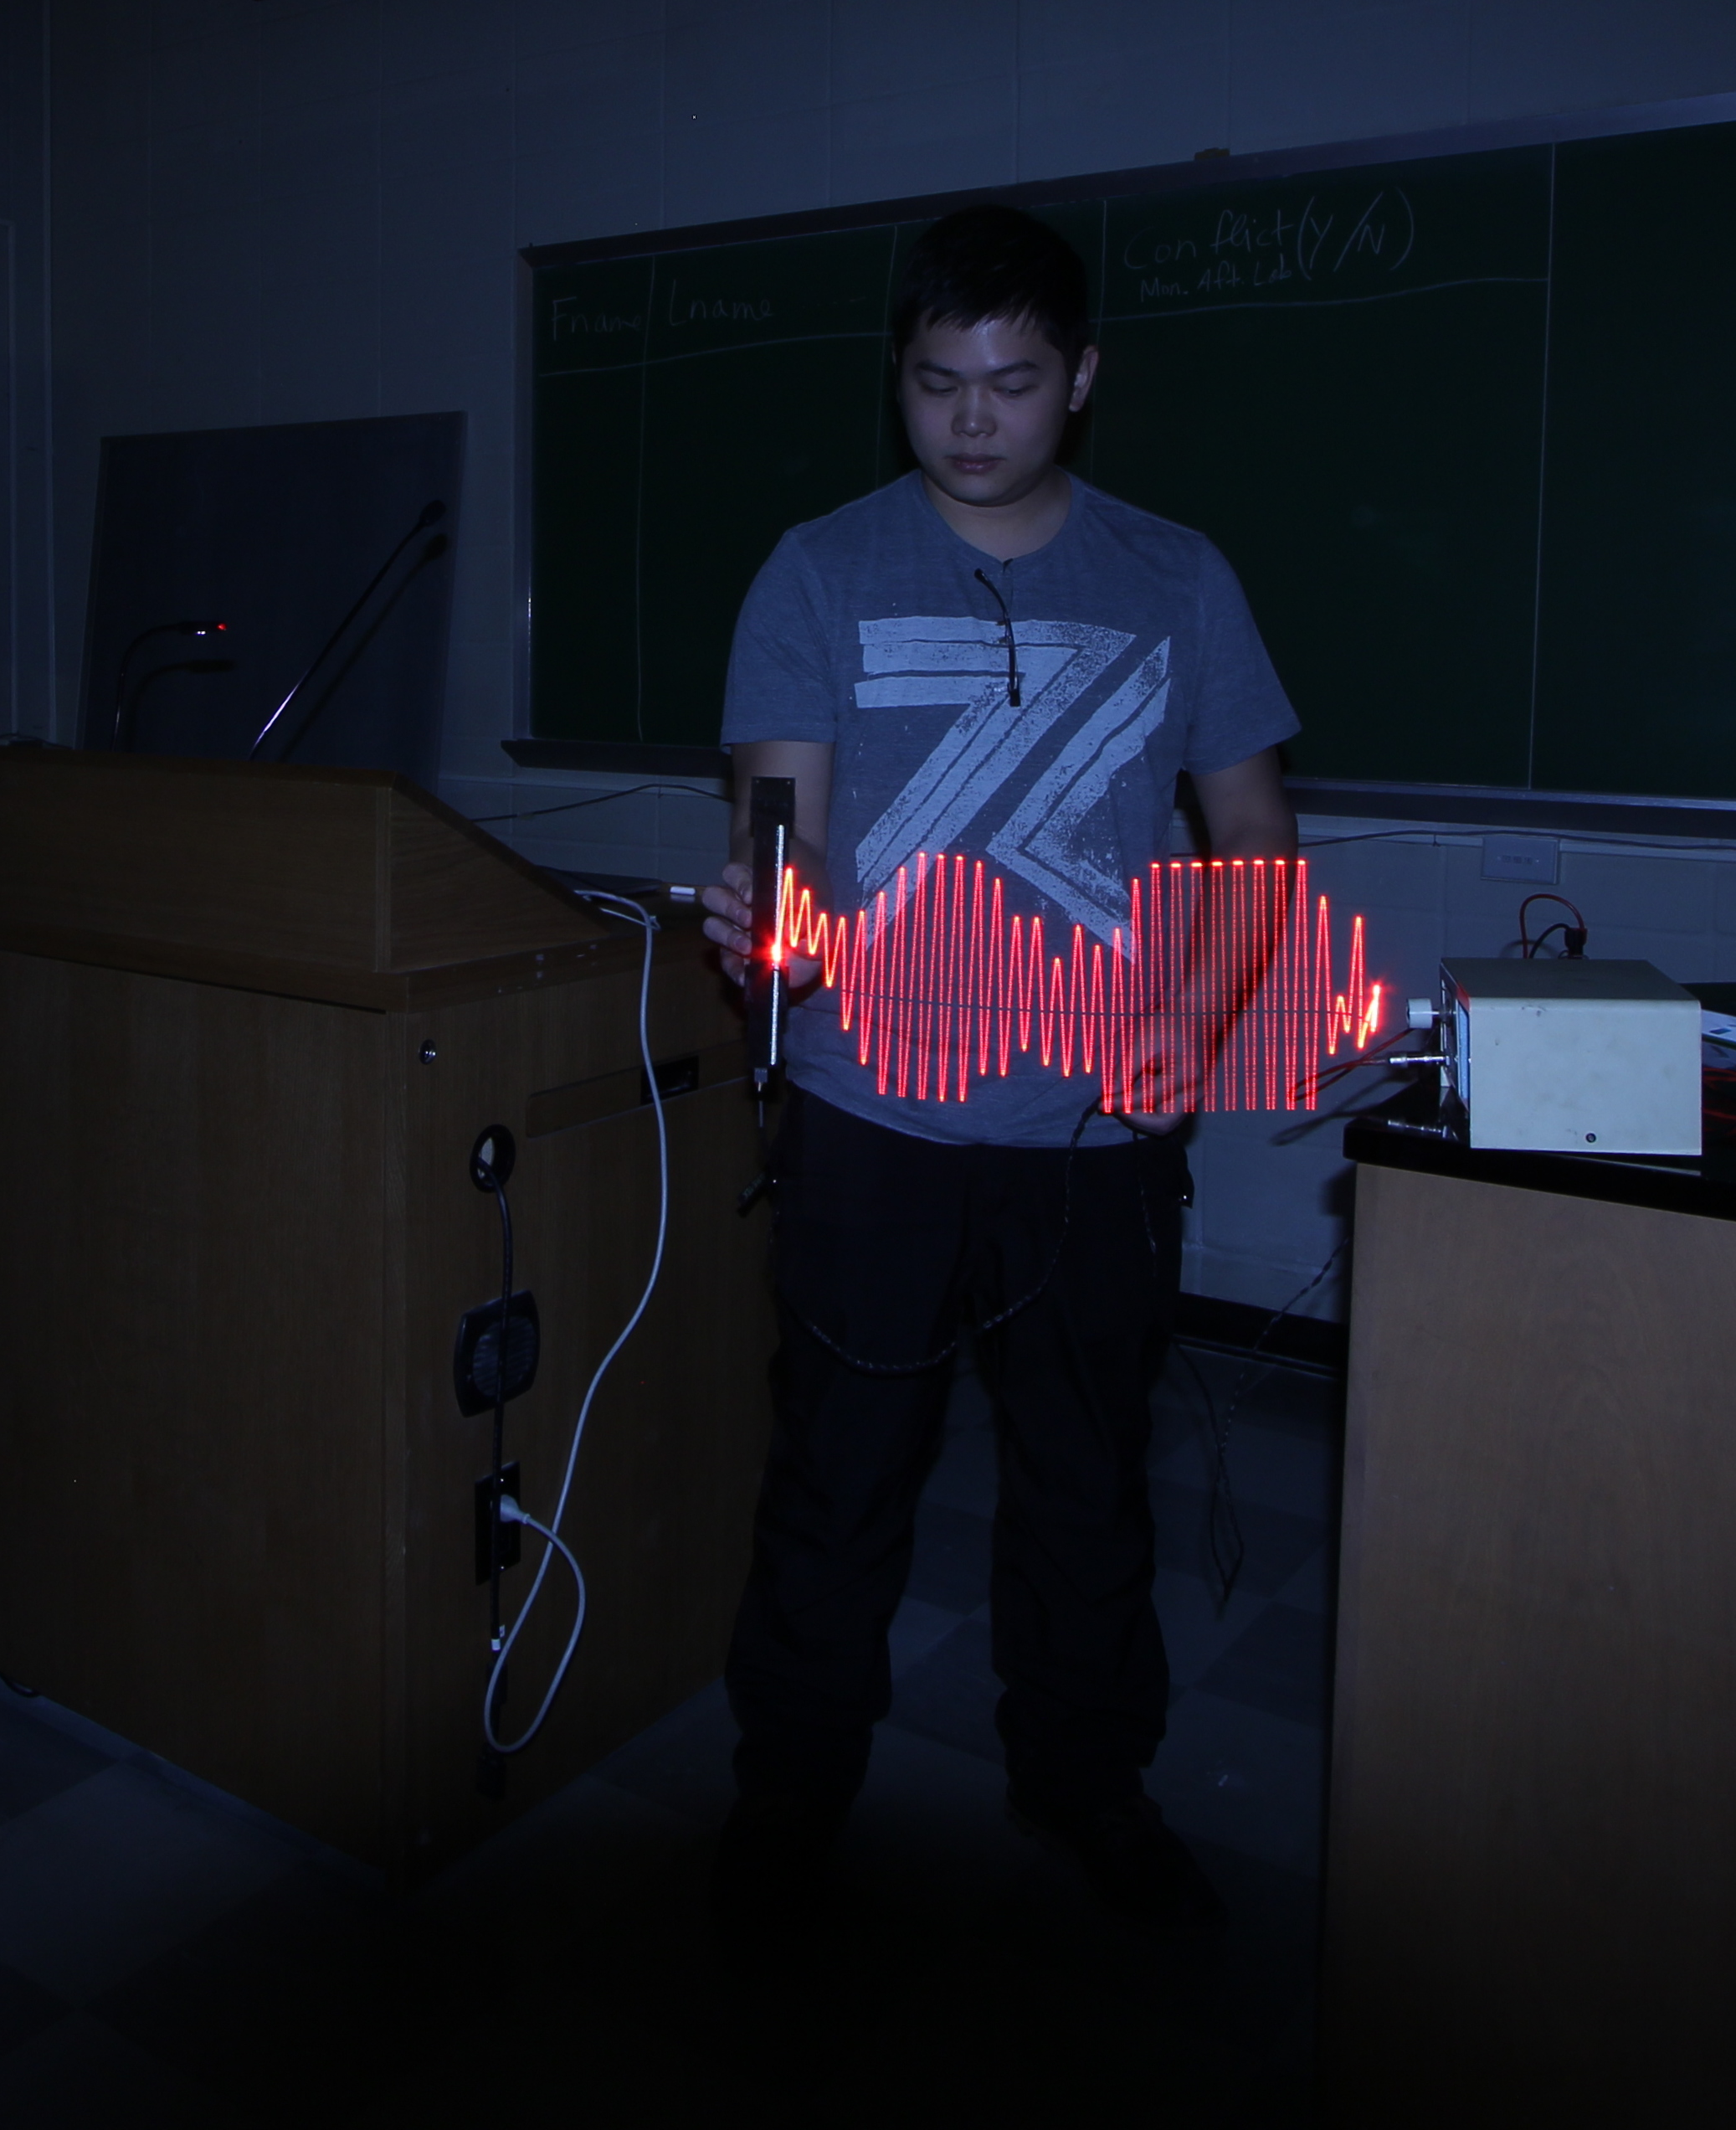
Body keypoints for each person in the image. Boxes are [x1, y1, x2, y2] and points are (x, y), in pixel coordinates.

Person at [699, 203, 1300, 1932]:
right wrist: (776, 922)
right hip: (871, 1117)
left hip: (1095, 1129)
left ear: (1082, 379)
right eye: (937, 382)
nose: (972, 419)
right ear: (898, 376)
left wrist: (1194, 1028)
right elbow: (791, 836)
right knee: (837, 1483)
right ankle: (790, 1798)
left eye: (1014, 382)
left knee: (1085, 1491)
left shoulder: (1177, 576)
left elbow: (1256, 838)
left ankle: (1087, 1787)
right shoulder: (818, 570)